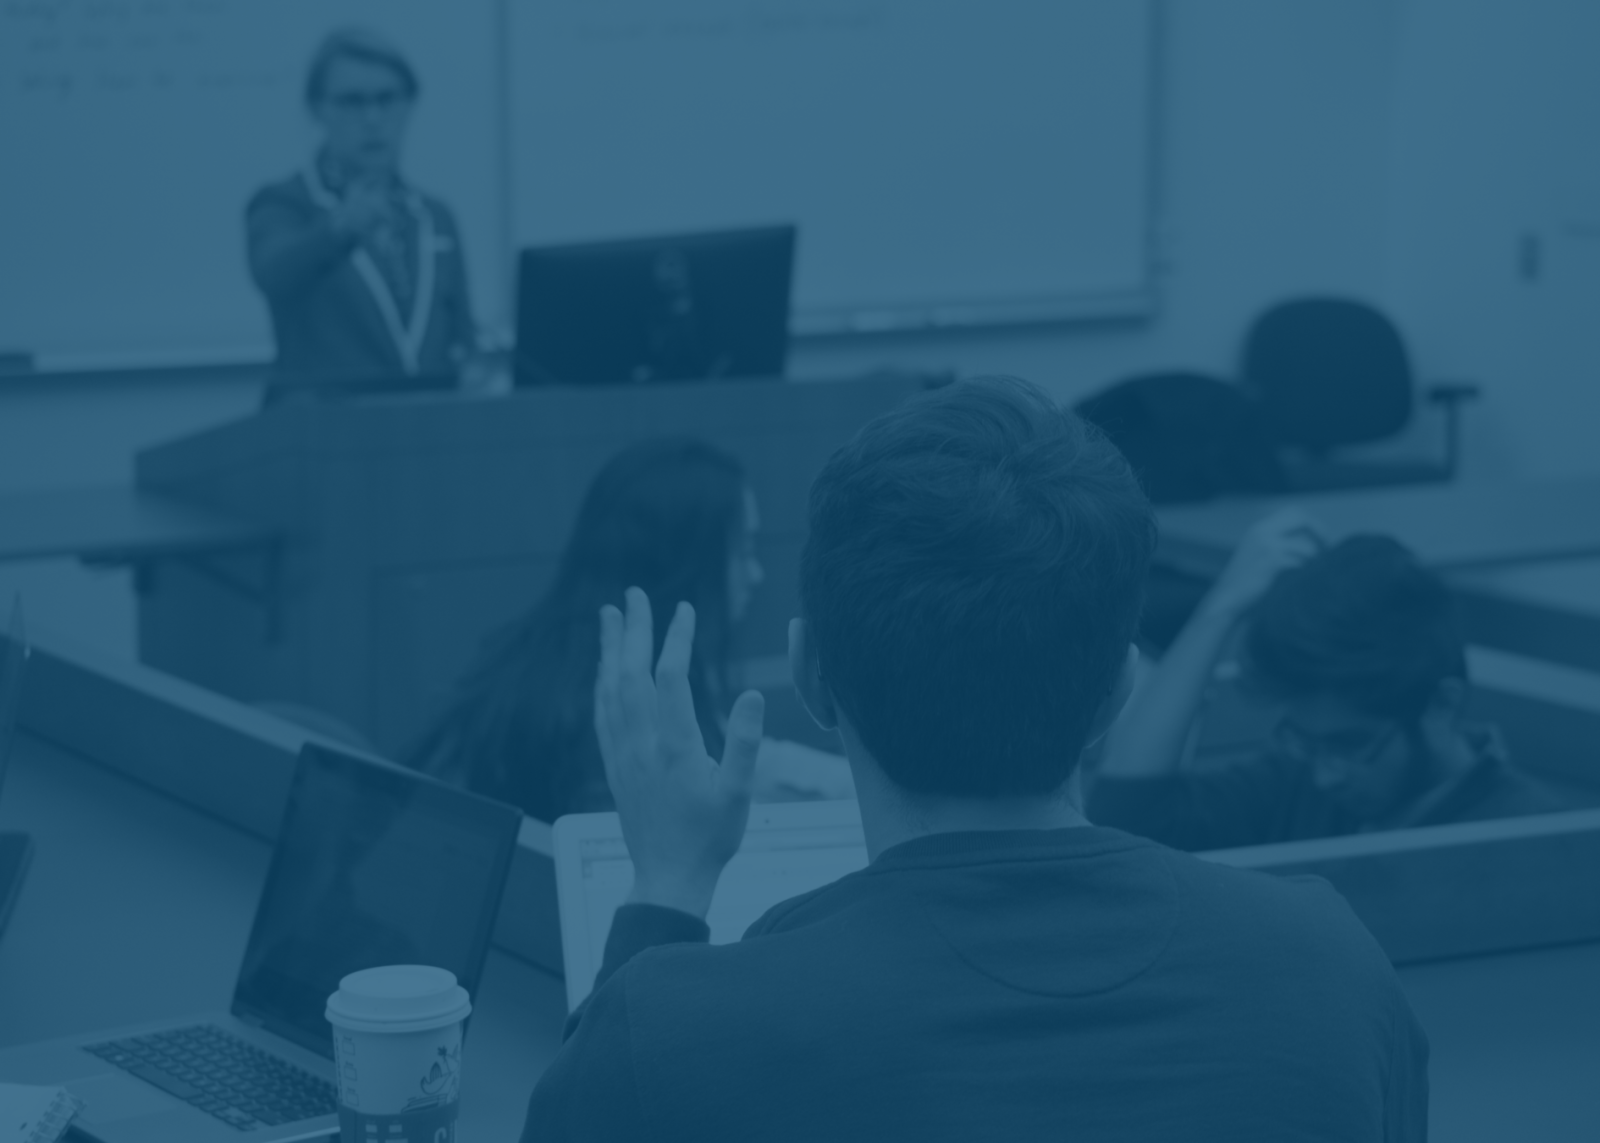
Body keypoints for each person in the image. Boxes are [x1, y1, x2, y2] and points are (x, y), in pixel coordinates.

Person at [519, 377, 1428, 1141]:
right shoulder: (1336, 970)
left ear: (812, 677)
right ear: (1120, 690)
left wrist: (667, 887)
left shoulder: (678, 1031)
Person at [408, 437, 852, 821]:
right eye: (741, 552)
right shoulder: (615, 711)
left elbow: (746, 759)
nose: (754, 575)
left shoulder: (553, 658)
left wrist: (860, 781)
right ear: (685, 564)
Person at [1088, 515, 1573, 850]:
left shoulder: (1535, 834)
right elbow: (1129, 817)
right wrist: (1222, 607)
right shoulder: (1299, 778)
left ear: (1442, 704)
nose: (1327, 774)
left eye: (1352, 744)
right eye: (1304, 740)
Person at [246, 29, 480, 402]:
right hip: (320, 436)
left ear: (409, 104)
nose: (373, 117)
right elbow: (273, 273)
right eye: (352, 101)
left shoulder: (434, 215)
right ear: (316, 107)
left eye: (387, 99)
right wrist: (340, 226)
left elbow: (464, 342)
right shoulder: (285, 203)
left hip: (428, 431)